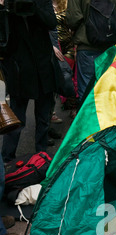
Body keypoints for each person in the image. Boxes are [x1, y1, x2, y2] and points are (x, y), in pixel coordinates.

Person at [0, 0, 58, 163]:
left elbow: (51, 23)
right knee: (16, 120)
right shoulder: (9, 7)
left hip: (43, 67)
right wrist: (4, 10)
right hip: (20, 68)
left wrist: (35, 6)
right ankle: (7, 159)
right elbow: (4, 43)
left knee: (43, 118)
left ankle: (42, 157)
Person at [66, 0, 116, 103]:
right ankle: (104, 118)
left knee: (87, 91)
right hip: (109, 46)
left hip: (87, 45)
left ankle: (88, 118)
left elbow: (73, 19)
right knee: (107, 89)